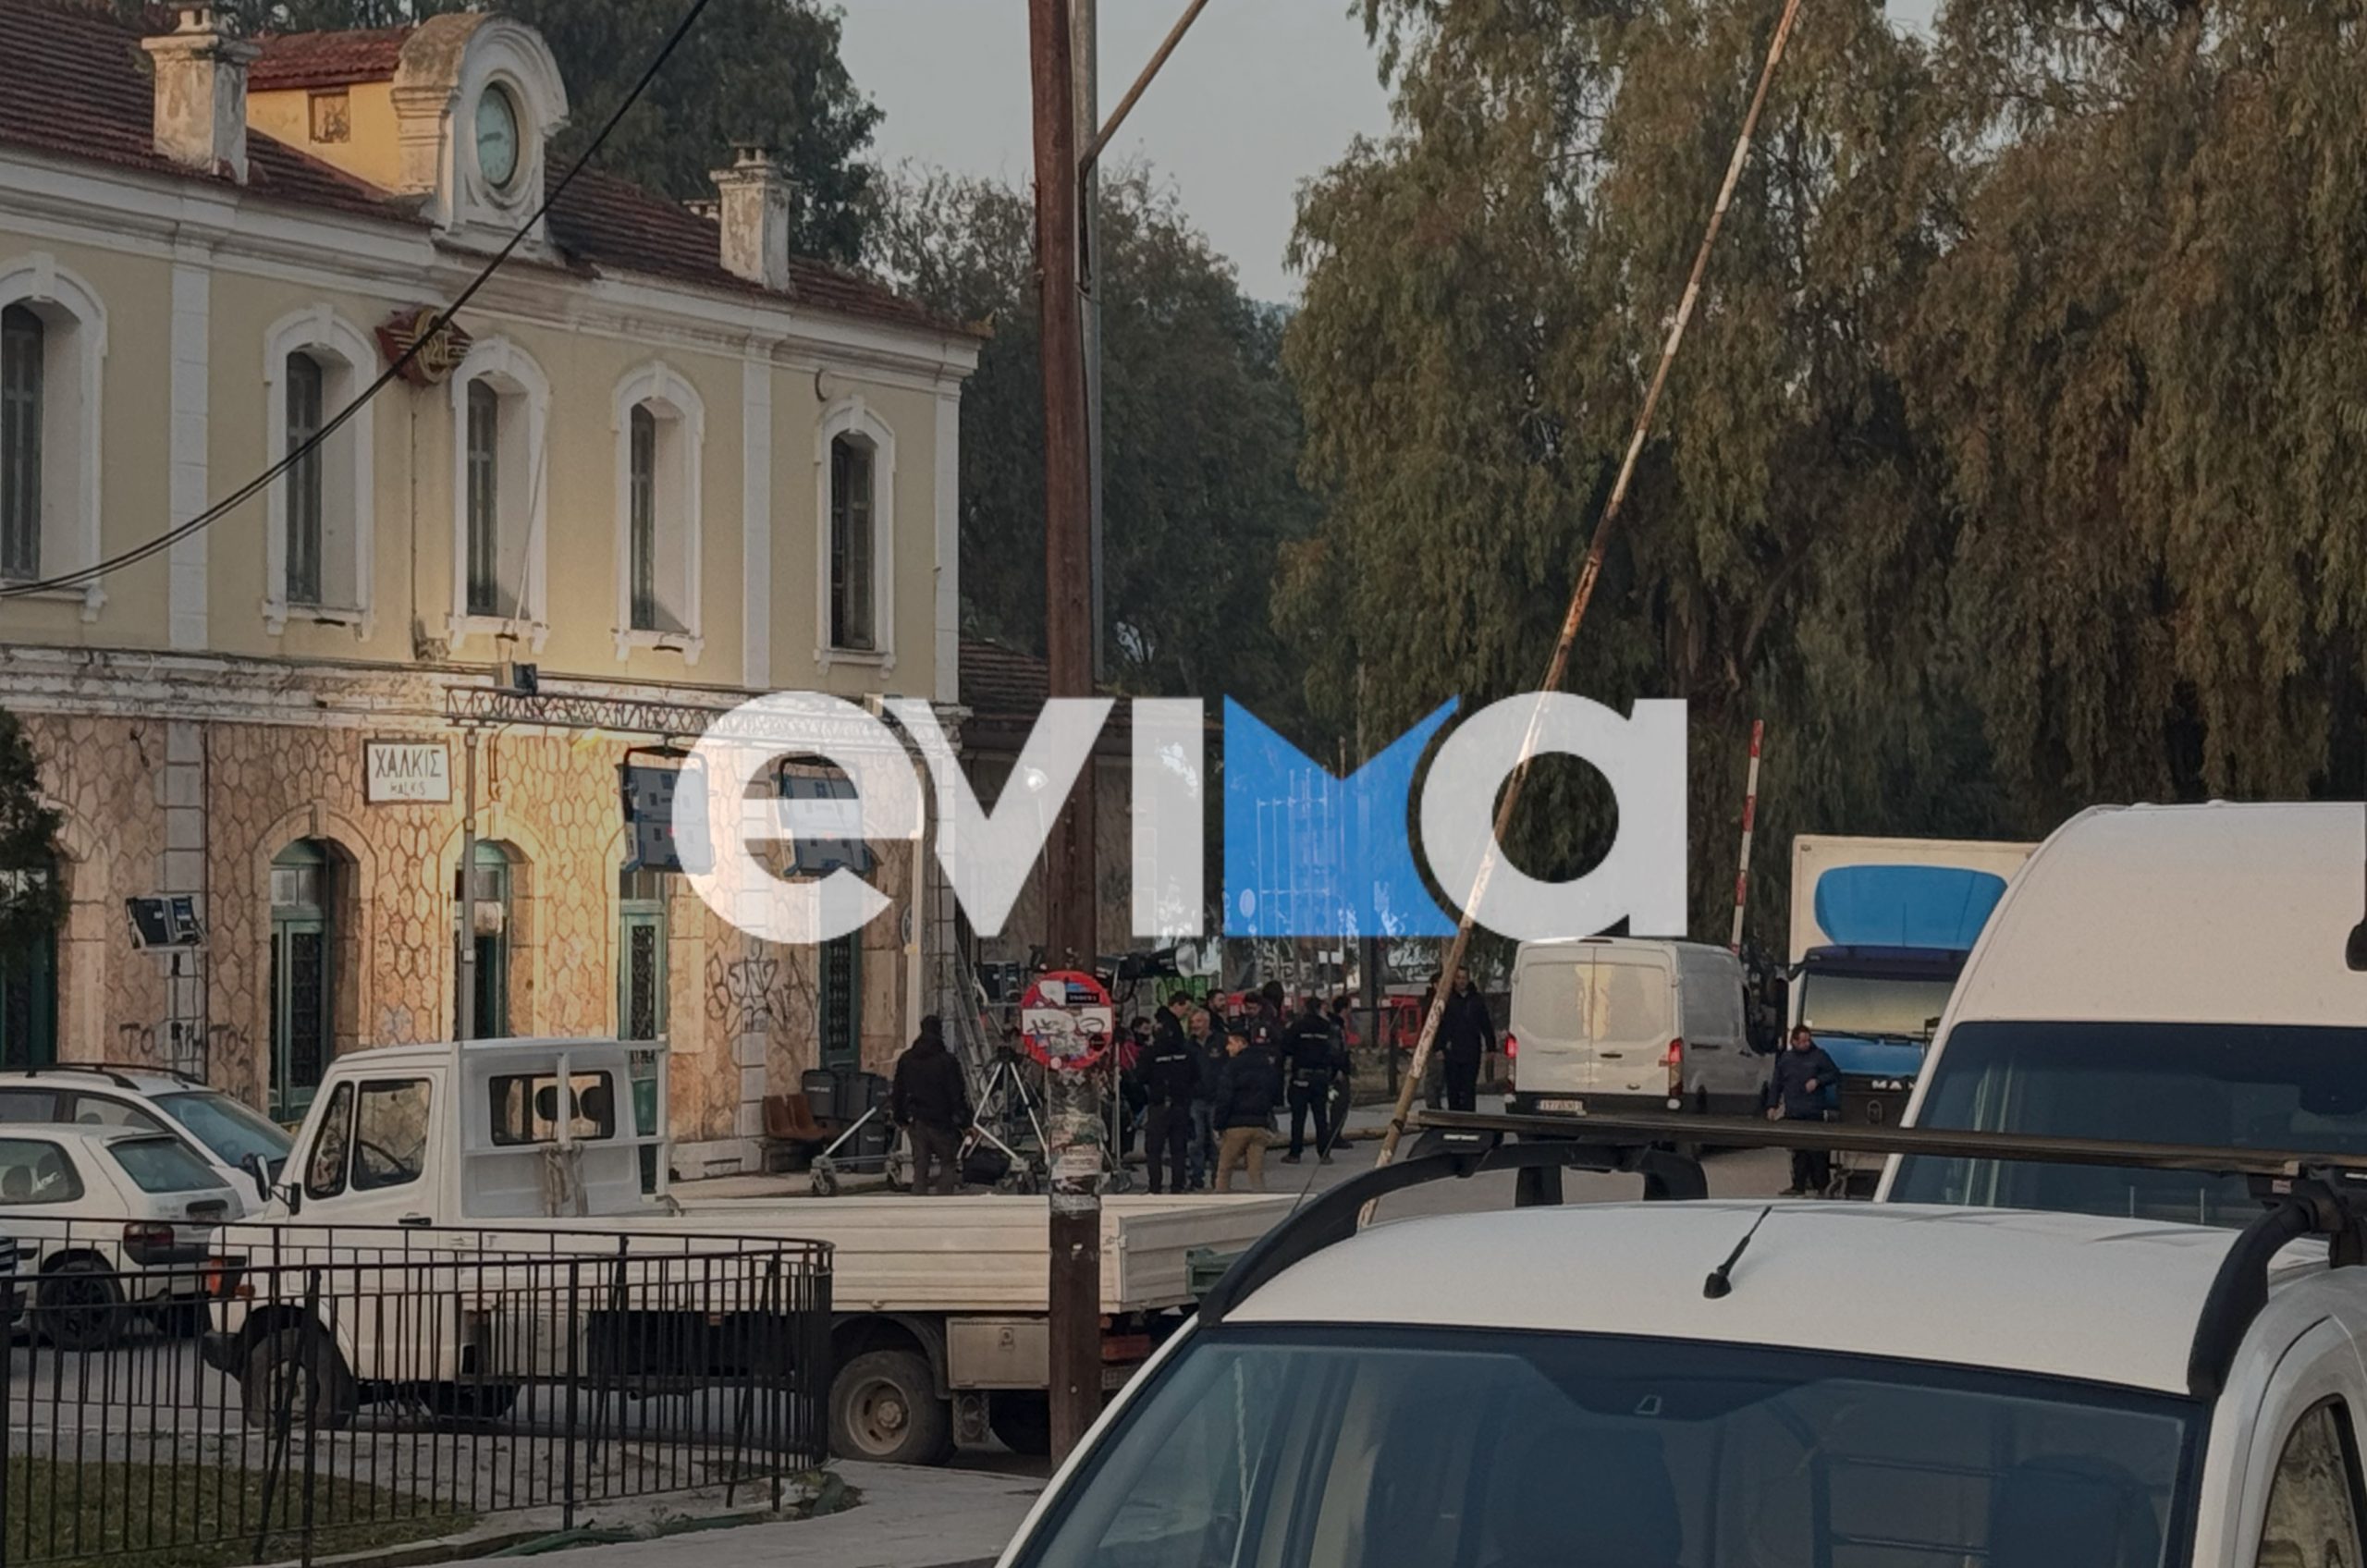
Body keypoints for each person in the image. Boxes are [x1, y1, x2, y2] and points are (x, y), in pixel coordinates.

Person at [890, 1014, 971, 1195]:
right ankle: (943, 1199)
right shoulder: (947, 1061)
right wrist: (965, 1122)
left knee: (920, 1164)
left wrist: (900, 1118)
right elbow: (957, 1094)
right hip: (942, 1121)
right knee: (948, 1162)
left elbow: (898, 1091)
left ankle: (919, 1200)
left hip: (917, 1120)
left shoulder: (907, 1059)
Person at [1767, 1023, 1841, 1196]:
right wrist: (1772, 1105)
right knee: (1799, 1151)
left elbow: (1835, 1074)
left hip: (1813, 1111)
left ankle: (1822, 1186)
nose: (1806, 1044)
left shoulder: (1819, 1056)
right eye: (1802, 1041)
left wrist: (1818, 1081)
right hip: (1794, 1111)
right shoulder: (1786, 1059)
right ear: (1793, 1041)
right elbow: (1776, 1083)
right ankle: (1798, 1185)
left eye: (1808, 1040)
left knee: (1816, 1152)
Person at [1141, 998, 1202, 1194]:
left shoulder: (1151, 1052)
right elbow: (1195, 1076)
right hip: (1180, 1104)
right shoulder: (1186, 1051)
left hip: (1159, 1104)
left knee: (1154, 1150)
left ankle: (1155, 1187)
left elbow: (1140, 1076)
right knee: (1178, 1148)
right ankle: (1178, 1185)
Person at [1211, 1025, 1281, 1192]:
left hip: (1236, 1124)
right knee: (1256, 1172)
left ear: (1242, 1043)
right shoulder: (1265, 1064)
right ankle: (1260, 1198)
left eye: (1231, 1043)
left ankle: (1220, 1198)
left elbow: (1225, 1097)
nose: (1227, 1048)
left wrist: (1218, 1124)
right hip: (1260, 1124)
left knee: (1225, 1168)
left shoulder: (1232, 1066)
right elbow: (1274, 1091)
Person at [1281, 996, 1340, 1164]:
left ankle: (1295, 1153)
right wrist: (1333, 1073)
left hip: (1301, 1076)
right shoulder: (1328, 1027)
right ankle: (1324, 1153)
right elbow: (1335, 1051)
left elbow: (1285, 1047)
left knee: (1298, 1117)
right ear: (1320, 1008)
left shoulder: (1297, 1026)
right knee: (1321, 1116)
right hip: (1320, 1077)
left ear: (1305, 1008)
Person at [1439, 967, 1495, 1113]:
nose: (1461, 981)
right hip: (1452, 1051)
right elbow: (1441, 1025)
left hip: (1471, 1050)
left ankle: (1469, 1117)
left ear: (1468, 979)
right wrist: (1438, 1047)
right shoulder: (1448, 999)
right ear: (1454, 980)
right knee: (1453, 1087)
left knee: (1469, 1087)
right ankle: (1454, 1116)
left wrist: (1491, 1047)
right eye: (1458, 978)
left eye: (1464, 978)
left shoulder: (1476, 1000)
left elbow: (1485, 1023)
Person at [1186, 1006, 1221, 1188]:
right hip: (1195, 1099)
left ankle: (1218, 1178)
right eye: (1192, 1022)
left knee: (1216, 1142)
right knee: (1196, 1141)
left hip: (1216, 1099)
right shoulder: (1187, 1046)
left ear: (1207, 1023)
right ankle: (1196, 1178)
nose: (1195, 1025)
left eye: (1199, 1021)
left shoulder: (1221, 1042)